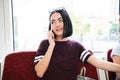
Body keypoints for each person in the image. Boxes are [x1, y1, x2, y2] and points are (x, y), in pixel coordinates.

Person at [34, 7, 120, 80]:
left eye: (60, 20)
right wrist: (51, 45)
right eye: (53, 22)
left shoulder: (75, 46)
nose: (57, 24)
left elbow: (98, 62)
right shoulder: (45, 44)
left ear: (66, 22)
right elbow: (40, 72)